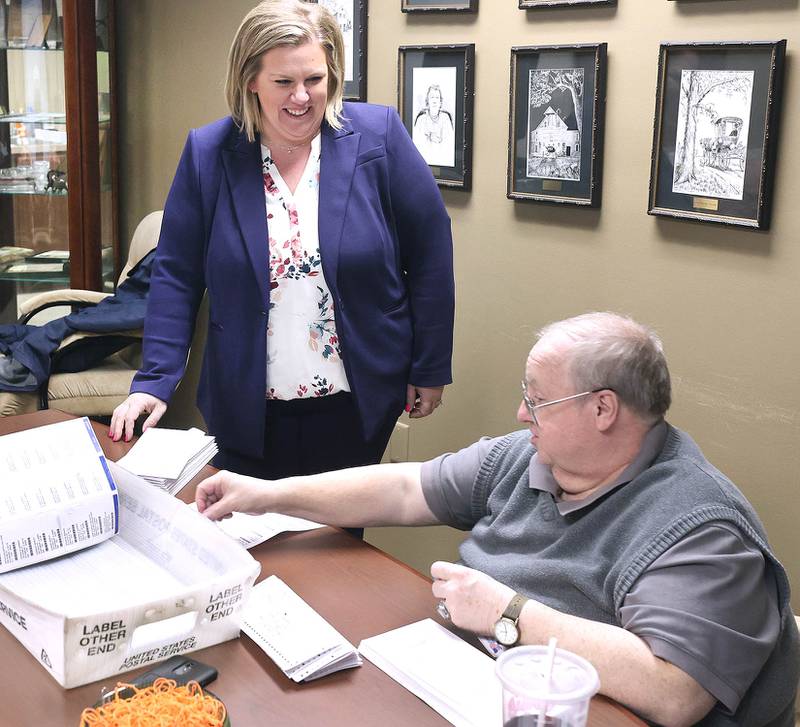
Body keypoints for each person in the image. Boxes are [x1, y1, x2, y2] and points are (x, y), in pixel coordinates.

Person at [196, 312, 799, 726]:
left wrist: (510, 615)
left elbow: (675, 691)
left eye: (537, 399)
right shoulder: (533, 455)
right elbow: (406, 488)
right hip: (467, 685)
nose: (520, 411)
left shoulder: (699, 527)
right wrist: (267, 493)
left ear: (603, 409)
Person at [109, 1, 454, 487]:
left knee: (335, 548)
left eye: (314, 79)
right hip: (247, 403)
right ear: (250, 79)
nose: (301, 97)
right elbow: (177, 274)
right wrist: (155, 381)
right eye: (283, 82)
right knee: (251, 538)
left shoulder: (379, 138)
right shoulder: (210, 154)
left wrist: (430, 364)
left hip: (355, 398)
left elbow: (430, 255)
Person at [412, 84, 455, 168]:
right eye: (432, 97)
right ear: (427, 101)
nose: (434, 101)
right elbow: (418, 147)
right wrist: (430, 138)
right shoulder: (421, 119)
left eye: (437, 98)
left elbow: (449, 145)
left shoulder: (445, 118)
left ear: (440, 102)